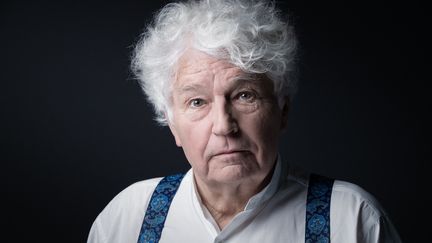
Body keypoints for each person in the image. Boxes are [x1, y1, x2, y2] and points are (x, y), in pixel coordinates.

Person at [87, 0, 402, 242]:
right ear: (172, 124)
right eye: (197, 101)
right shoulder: (126, 219)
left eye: (245, 95)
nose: (224, 126)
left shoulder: (352, 218)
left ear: (283, 111)